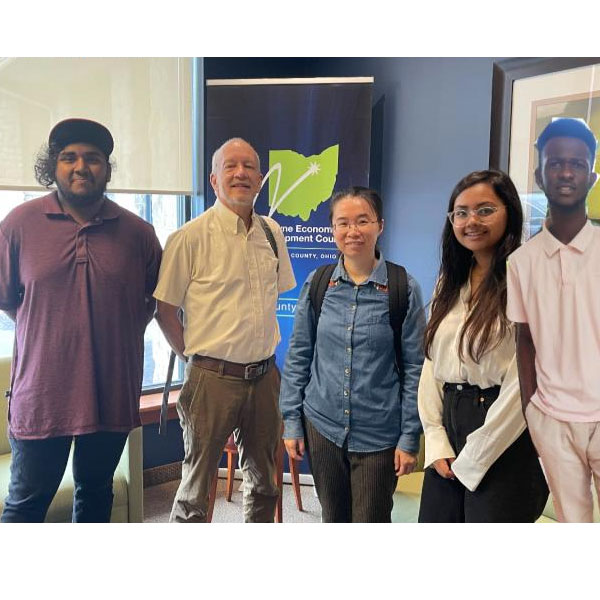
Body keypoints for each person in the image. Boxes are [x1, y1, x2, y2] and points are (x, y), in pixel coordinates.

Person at [0, 118, 162, 523]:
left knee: (95, 496)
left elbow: (154, 301)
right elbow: (8, 301)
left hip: (111, 393)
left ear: (106, 168)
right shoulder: (19, 225)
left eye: (92, 158)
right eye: (69, 157)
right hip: (42, 396)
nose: (81, 167)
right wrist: (51, 326)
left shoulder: (139, 233)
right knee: (24, 507)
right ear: (52, 165)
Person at [154, 137, 295, 523]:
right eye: (230, 166)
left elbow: (277, 296)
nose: (240, 173)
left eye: (249, 166)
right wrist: (196, 361)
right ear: (214, 180)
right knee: (196, 492)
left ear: (260, 179)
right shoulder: (189, 238)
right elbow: (164, 311)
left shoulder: (272, 233)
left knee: (265, 483)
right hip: (211, 380)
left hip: (265, 378)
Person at [280, 186, 426, 522]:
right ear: (333, 229)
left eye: (363, 221)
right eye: (343, 223)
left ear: (380, 225)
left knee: (371, 520)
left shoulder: (403, 287)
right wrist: (292, 422)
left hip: (379, 434)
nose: (352, 231)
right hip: (322, 426)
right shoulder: (319, 283)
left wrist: (409, 436)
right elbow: (299, 354)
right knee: (333, 518)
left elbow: (415, 368)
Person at [418, 170, 548, 523]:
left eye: (485, 210)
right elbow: (433, 362)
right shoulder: (450, 281)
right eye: (461, 213)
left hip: (505, 433)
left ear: (509, 213)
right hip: (450, 429)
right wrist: (436, 438)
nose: (471, 221)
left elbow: (527, 383)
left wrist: (476, 456)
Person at [507, 118, 600, 522]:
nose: (565, 172)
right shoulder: (521, 262)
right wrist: (532, 412)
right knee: (572, 523)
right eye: (555, 163)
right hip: (552, 419)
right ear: (539, 175)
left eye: (577, 164)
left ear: (592, 176)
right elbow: (524, 340)